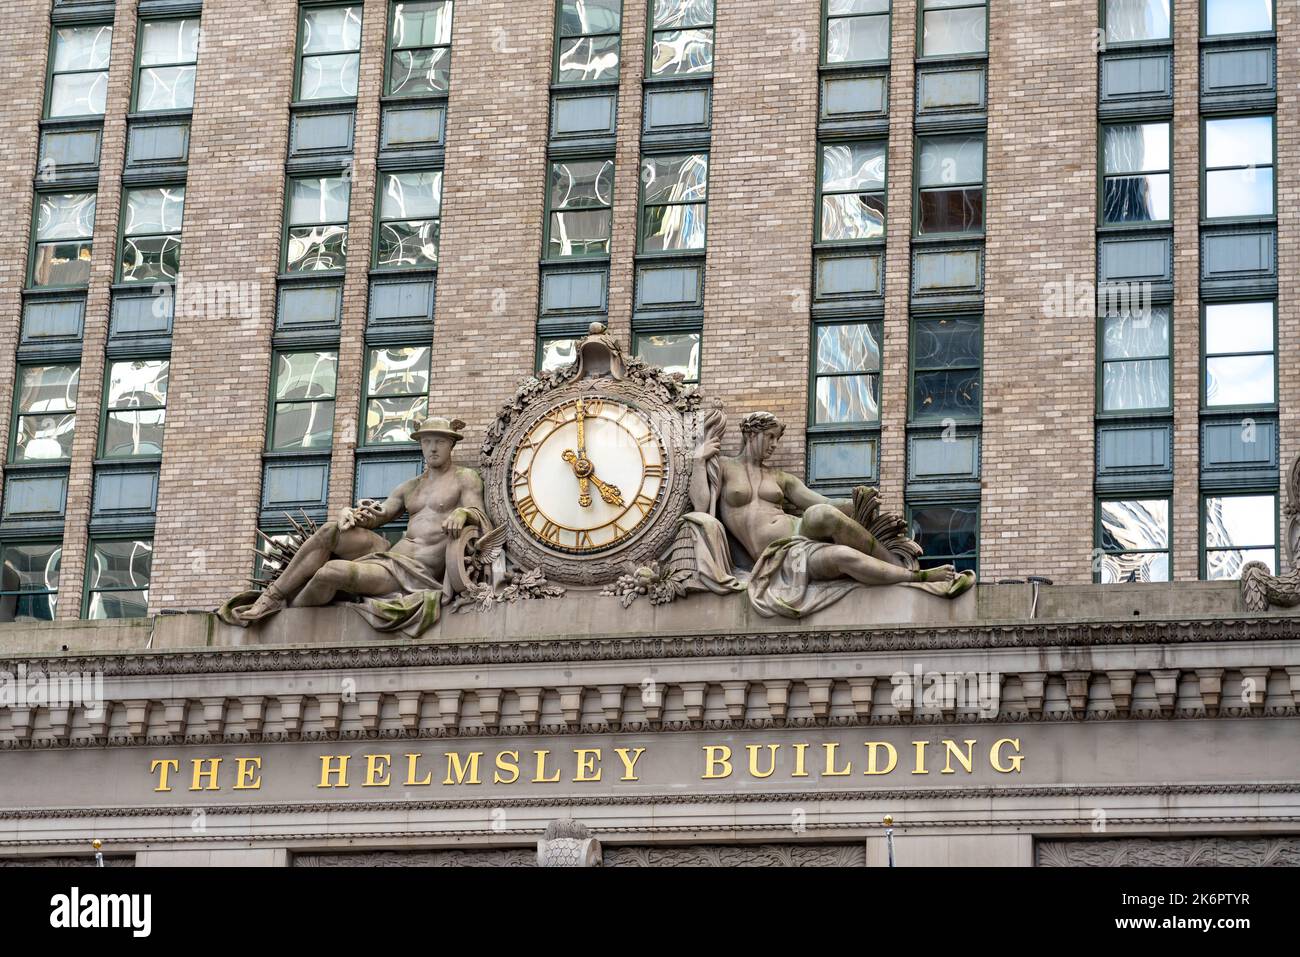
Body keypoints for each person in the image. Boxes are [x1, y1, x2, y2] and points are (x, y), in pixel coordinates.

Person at [689, 410, 974, 618]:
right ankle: (915, 578)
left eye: (777, 438)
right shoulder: (723, 466)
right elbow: (702, 506)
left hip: (798, 534)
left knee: (822, 513)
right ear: (752, 433)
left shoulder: (780, 477)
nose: (774, 445)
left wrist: (858, 503)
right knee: (842, 557)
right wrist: (699, 460)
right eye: (770, 437)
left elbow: (822, 502)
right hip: (778, 557)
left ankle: (906, 568)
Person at [221, 417, 488, 634]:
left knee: (330, 572)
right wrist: (353, 515)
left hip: (415, 576)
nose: (432, 448)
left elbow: (480, 515)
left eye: (439, 442)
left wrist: (464, 513)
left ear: (451, 444)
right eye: (427, 441)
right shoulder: (410, 487)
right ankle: (270, 598)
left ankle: (291, 610)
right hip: (390, 555)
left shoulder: (465, 478)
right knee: (330, 530)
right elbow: (380, 514)